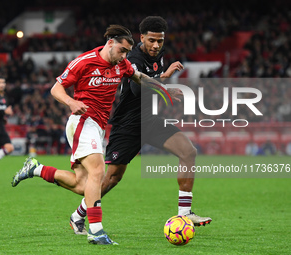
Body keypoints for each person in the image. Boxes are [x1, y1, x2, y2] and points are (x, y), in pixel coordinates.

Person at [11, 24, 181, 245]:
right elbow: (56, 89)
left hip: (98, 126)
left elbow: (140, 78)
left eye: (127, 53)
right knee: (99, 172)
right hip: (83, 121)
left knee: (82, 185)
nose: (124, 56)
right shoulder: (85, 61)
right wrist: (72, 102)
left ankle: (36, 168)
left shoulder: (122, 63)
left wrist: (164, 88)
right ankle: (96, 231)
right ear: (110, 43)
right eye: (121, 50)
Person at [69, 16, 212, 235]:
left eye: (160, 41)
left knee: (188, 152)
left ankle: (185, 213)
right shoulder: (132, 57)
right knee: (112, 178)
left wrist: (164, 86)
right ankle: (78, 215)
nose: (156, 45)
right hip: (129, 124)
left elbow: (153, 82)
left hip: (151, 121)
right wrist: (165, 78)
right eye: (152, 40)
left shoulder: (158, 55)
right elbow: (138, 89)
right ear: (142, 37)